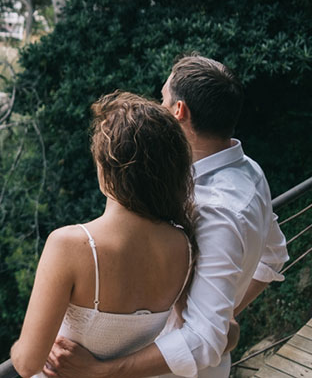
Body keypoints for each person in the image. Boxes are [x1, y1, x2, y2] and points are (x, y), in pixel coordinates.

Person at [46, 56, 289, 378]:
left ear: (179, 110)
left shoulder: (212, 210)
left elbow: (203, 340)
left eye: (162, 98)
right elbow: (273, 256)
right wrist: (221, 313)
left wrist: (101, 371)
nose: (159, 106)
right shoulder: (251, 171)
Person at [10, 91, 197, 378]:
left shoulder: (70, 245)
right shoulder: (184, 243)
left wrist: (19, 348)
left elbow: (27, 363)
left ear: (106, 167)